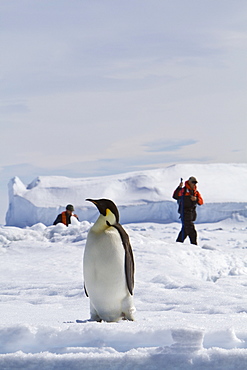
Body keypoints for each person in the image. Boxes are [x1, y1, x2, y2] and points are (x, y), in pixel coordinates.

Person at [172, 177, 203, 245]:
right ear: (189, 182)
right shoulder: (183, 190)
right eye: (193, 182)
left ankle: (178, 243)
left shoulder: (196, 192)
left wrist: (196, 199)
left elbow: (201, 202)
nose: (194, 184)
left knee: (185, 230)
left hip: (192, 214)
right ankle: (194, 245)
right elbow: (175, 196)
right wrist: (179, 188)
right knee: (191, 230)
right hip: (185, 213)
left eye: (195, 183)